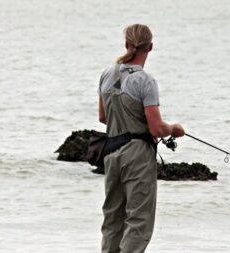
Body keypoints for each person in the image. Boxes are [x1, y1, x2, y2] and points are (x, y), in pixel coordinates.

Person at [98, 24, 185, 253]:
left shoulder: (107, 74)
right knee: (138, 221)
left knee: (112, 220)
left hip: (111, 153)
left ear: (127, 44)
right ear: (150, 47)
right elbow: (157, 128)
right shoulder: (145, 81)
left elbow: (102, 117)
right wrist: (174, 129)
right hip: (137, 155)